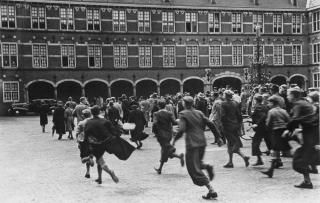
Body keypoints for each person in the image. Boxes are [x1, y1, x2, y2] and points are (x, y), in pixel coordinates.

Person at [173, 96, 217, 200]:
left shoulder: (183, 114)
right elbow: (210, 123)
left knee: (193, 169)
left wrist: (175, 139)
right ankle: (207, 167)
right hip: (202, 142)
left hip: (192, 144)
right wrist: (218, 136)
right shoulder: (199, 113)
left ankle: (211, 190)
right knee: (197, 163)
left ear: (184, 104)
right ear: (193, 103)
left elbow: (182, 129)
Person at [286, 88, 319, 188]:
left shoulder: (298, 104)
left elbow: (295, 119)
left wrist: (288, 128)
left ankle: (308, 182)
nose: (287, 97)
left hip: (311, 136)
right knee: (303, 158)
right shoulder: (304, 103)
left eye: (288, 95)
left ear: (293, 95)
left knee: (298, 160)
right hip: (310, 135)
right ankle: (307, 182)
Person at [84, 105, 119, 184]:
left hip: (93, 144)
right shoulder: (105, 121)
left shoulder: (89, 122)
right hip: (103, 144)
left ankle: (109, 171)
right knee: (100, 160)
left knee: (97, 160)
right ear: (99, 112)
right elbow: (113, 131)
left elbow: (86, 134)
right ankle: (100, 177)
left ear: (91, 113)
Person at [261, 95, 290, 178]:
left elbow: (268, 123)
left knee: (275, 149)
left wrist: (268, 129)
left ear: (273, 103)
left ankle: (308, 163)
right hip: (283, 131)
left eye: (269, 102)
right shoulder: (283, 111)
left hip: (276, 131)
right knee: (279, 150)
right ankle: (273, 168)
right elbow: (289, 120)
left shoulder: (271, 111)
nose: (268, 104)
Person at [152, 100, 184, 174]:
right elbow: (174, 122)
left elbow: (155, 123)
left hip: (161, 134)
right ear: (165, 105)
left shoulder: (156, 113)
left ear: (159, 106)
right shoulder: (169, 113)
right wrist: (179, 121)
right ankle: (160, 169)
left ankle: (178, 155)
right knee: (164, 151)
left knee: (165, 150)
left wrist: (155, 132)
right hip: (168, 134)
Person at [220, 90, 250, 168]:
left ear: (226, 96)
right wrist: (239, 125)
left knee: (232, 144)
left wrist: (221, 125)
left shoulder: (223, 104)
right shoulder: (235, 103)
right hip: (235, 125)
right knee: (229, 144)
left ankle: (243, 157)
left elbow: (222, 116)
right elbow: (239, 115)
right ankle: (230, 162)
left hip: (227, 126)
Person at [75, 109, 94, 179]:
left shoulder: (81, 123)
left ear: (83, 116)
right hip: (92, 141)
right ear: (90, 114)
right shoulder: (93, 122)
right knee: (91, 154)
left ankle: (88, 168)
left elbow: (77, 133)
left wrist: (78, 142)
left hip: (83, 142)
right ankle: (88, 171)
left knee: (83, 159)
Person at [251, 94, 269, 166]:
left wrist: (257, 124)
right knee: (269, 144)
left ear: (255, 100)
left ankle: (259, 160)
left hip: (260, 128)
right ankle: (277, 159)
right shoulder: (264, 106)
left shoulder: (258, 107)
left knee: (255, 143)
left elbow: (263, 116)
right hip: (265, 127)